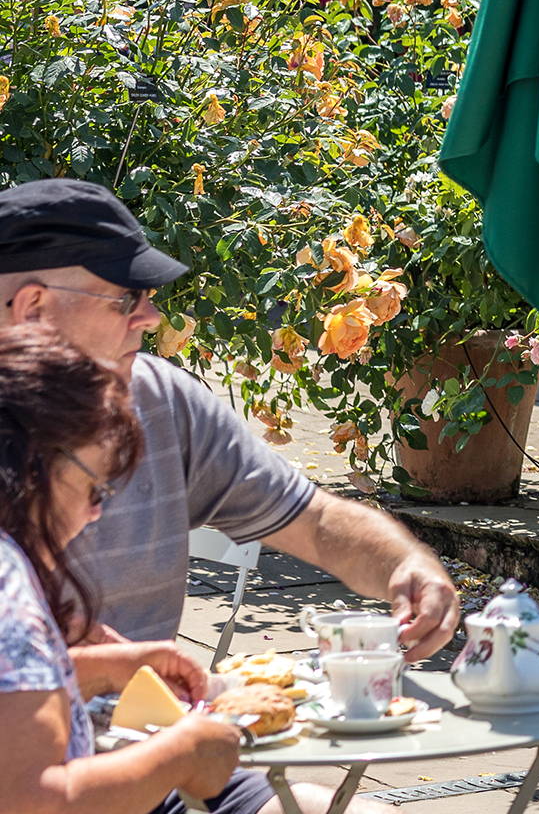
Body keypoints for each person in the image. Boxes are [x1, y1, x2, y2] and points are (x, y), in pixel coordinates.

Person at [0, 180, 459, 658]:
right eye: (125, 299)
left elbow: (315, 521)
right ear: (34, 307)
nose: (151, 318)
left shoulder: (160, 400)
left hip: (153, 721)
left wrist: (409, 565)